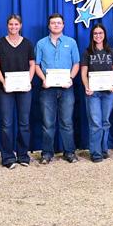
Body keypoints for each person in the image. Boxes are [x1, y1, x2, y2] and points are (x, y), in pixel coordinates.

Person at [35, 13, 80, 164]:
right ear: (49, 25)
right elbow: (36, 65)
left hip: (66, 88)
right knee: (48, 123)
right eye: (53, 23)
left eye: (59, 23)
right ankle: (47, 153)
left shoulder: (71, 42)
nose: (56, 25)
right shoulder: (41, 43)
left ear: (63, 25)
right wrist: (43, 80)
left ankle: (69, 152)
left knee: (67, 122)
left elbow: (76, 64)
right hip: (47, 88)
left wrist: (71, 78)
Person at [0, 14, 35, 169]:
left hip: (24, 88)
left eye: (16, 24)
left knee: (24, 123)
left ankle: (23, 155)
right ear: (7, 26)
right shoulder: (0, 43)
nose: (13, 27)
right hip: (5, 89)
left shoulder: (27, 44)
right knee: (6, 124)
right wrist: (4, 82)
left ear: (20, 26)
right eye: (11, 24)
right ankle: (8, 157)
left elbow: (32, 64)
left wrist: (28, 81)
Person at [80, 24, 113, 162]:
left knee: (105, 122)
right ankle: (95, 153)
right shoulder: (87, 52)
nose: (98, 35)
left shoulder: (111, 51)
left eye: (100, 33)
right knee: (95, 123)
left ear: (104, 34)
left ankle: (103, 149)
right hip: (93, 93)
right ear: (92, 35)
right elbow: (83, 73)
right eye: (95, 33)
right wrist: (86, 86)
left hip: (108, 92)